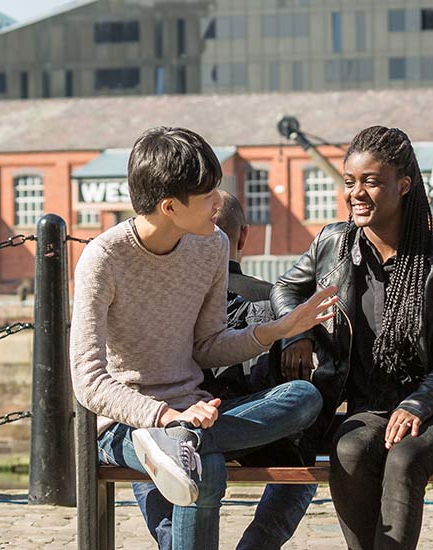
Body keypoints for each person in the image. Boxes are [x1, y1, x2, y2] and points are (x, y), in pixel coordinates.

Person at [72, 126, 339, 550]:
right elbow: (88, 381)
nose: (219, 203)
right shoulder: (103, 259)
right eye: (208, 194)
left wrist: (276, 330)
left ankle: (182, 443)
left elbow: (208, 344)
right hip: (129, 423)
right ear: (170, 206)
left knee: (304, 397)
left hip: (195, 416)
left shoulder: (211, 244)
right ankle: (179, 442)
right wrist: (161, 417)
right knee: (203, 468)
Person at [274, 126, 433, 550]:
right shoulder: (332, 244)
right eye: (350, 182)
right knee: (349, 450)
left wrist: (418, 404)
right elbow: (285, 288)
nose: (357, 193)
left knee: (406, 458)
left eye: (371, 182)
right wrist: (295, 330)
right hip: (371, 409)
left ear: (403, 185)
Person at [128, 190, 321, 550]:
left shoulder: (172, 296)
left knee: (152, 449)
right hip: (254, 431)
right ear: (244, 236)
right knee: (301, 462)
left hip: (183, 421)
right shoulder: (273, 297)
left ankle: (172, 539)